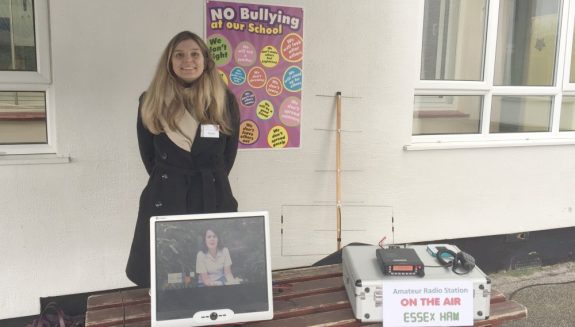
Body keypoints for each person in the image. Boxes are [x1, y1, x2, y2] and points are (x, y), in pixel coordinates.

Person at [126, 31, 240, 288]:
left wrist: (210, 180)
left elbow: (227, 157)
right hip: (167, 194)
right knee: (170, 277)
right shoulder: (150, 101)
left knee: (213, 277)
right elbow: (149, 157)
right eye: (179, 55)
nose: (187, 61)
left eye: (194, 54)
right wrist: (174, 180)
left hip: (212, 193)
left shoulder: (225, 101)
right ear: (170, 62)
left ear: (205, 60)